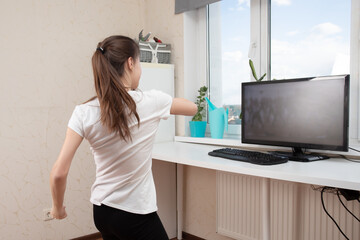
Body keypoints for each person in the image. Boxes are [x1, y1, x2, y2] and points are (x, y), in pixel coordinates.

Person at [50, 35, 197, 240]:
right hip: (135, 214)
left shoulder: (83, 111)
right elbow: (191, 108)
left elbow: (58, 173)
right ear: (130, 63)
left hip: (102, 211)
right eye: (139, 63)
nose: (140, 70)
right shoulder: (151, 101)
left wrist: (58, 208)